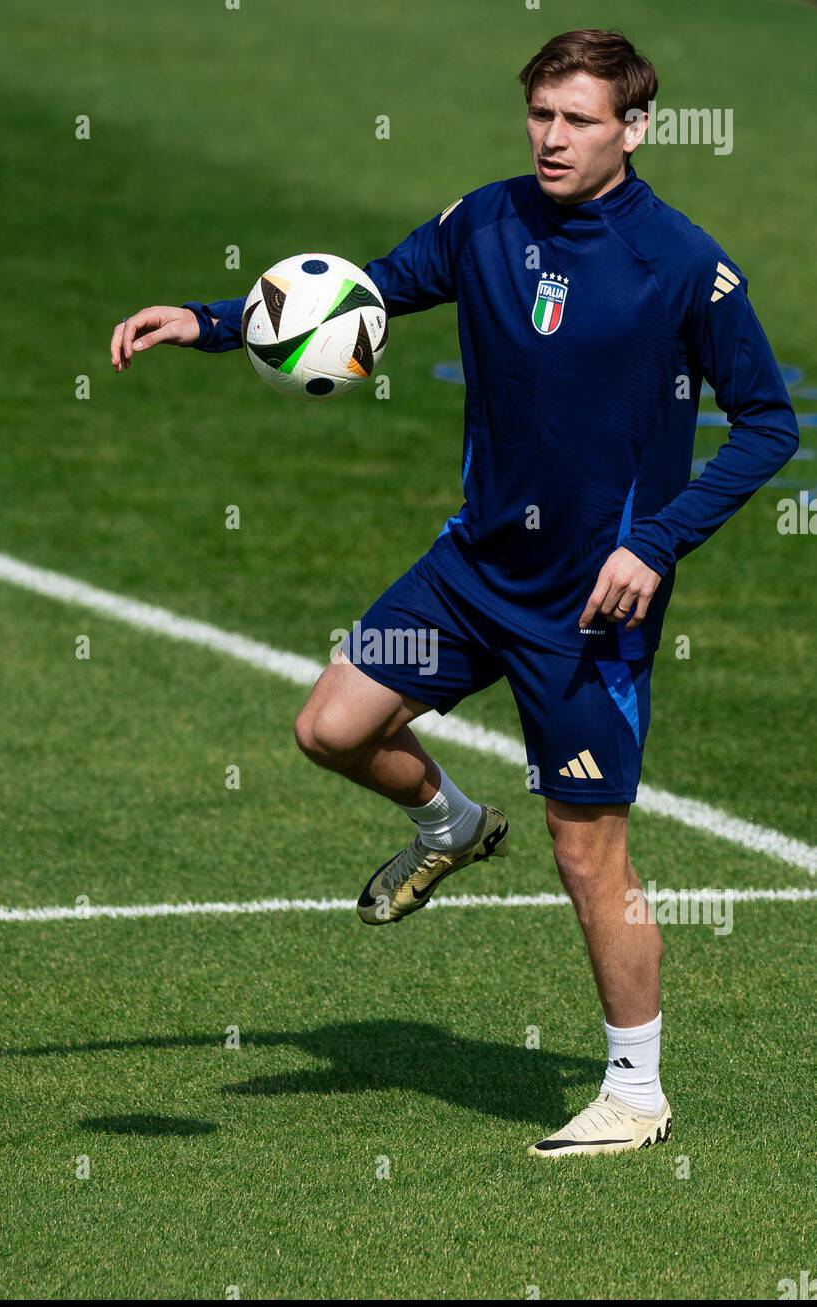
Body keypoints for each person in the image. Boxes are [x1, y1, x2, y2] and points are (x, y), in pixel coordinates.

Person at [109, 29, 798, 1156]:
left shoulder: (680, 263)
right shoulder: (482, 220)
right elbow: (363, 293)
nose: (551, 138)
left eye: (576, 119)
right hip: (472, 568)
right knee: (328, 726)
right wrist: (212, 322)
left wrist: (657, 544)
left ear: (633, 127)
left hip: (592, 608)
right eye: (539, 114)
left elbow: (765, 420)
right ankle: (452, 822)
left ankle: (633, 1090)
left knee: (587, 853)